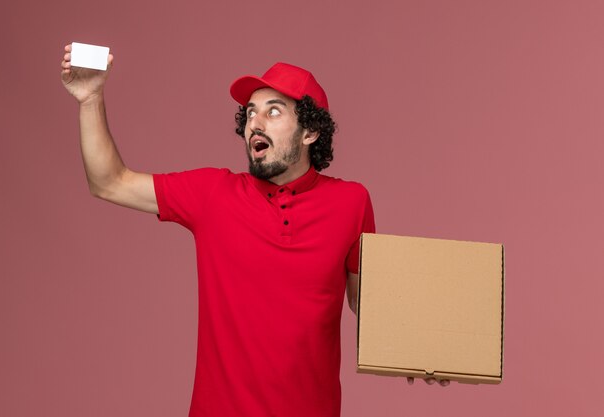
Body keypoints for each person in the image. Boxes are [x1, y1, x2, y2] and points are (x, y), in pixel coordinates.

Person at [60, 44, 445, 417]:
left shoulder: (352, 202)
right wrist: (90, 98)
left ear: (310, 131)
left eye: (273, 112)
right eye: (250, 114)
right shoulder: (212, 194)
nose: (254, 124)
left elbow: (367, 303)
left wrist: (423, 352)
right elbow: (108, 182)